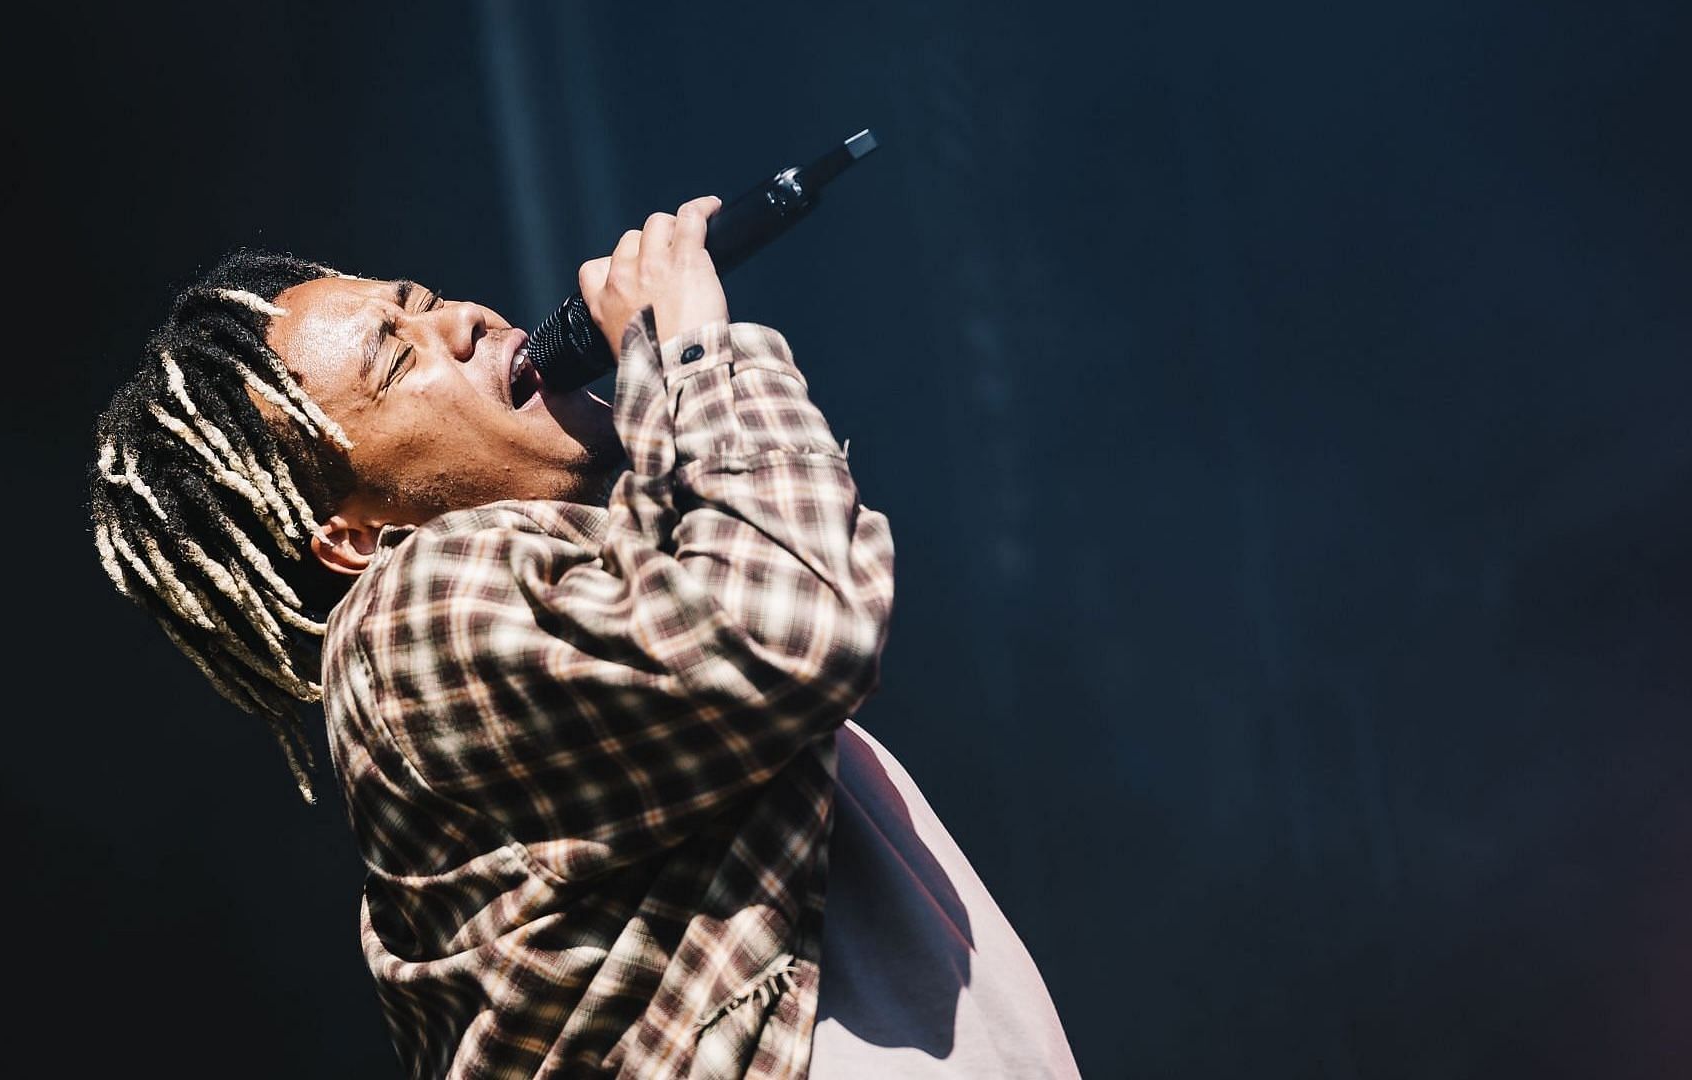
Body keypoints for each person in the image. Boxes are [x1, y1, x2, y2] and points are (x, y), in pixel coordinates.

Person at [88, 195, 1081, 1078]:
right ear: (348, 533)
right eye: (400, 358)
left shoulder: (605, 575)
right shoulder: (402, 619)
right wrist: (685, 353)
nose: (465, 322)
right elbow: (788, 623)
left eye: (429, 302)